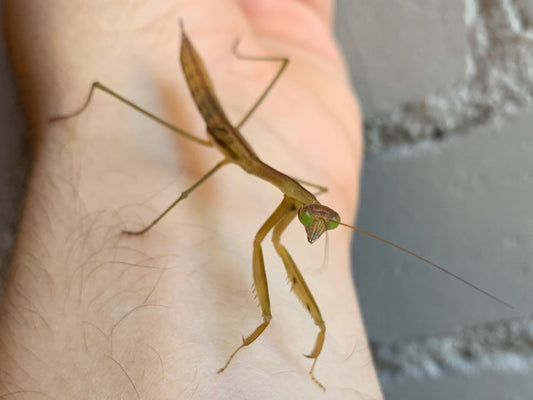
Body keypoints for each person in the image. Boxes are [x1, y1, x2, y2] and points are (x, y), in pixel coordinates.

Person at [1, 1, 382, 398]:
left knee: (264, 241)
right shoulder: (281, 186)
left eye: (322, 223)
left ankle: (299, 350)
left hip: (225, 120)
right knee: (186, 180)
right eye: (317, 220)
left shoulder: (296, 195)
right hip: (205, 104)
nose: (317, 228)